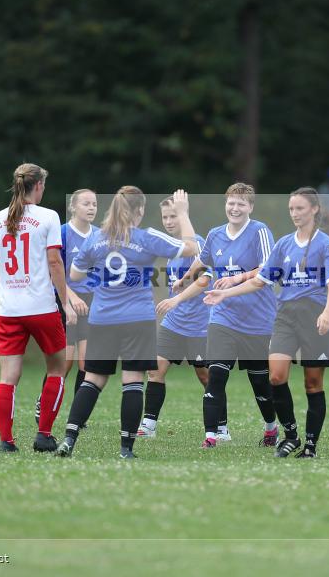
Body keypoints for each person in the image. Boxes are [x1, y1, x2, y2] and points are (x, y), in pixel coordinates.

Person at [57, 187, 199, 459]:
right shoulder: (145, 238)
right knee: (132, 382)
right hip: (137, 319)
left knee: (93, 380)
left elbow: (75, 273)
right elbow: (191, 247)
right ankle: (126, 450)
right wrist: (182, 214)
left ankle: (69, 439)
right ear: (140, 211)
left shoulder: (96, 239)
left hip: (102, 319)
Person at [204, 188, 329, 458]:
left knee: (313, 383)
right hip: (285, 316)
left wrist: (327, 312)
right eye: (291, 209)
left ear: (314, 209)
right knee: (276, 376)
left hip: (314, 316)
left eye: (300, 208)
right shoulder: (283, 244)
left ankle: (310, 446)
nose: (295, 214)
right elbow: (259, 281)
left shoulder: (326, 244)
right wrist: (225, 292)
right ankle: (291, 435)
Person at [157, 183, 279, 449]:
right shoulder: (215, 234)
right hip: (222, 316)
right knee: (216, 374)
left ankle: (271, 428)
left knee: (259, 380)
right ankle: (211, 436)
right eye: (231, 203)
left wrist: (237, 278)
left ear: (250, 207)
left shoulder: (259, 232)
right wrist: (184, 280)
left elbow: (268, 270)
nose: (235, 208)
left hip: (257, 319)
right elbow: (202, 260)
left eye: (241, 204)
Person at [0, 164, 74, 453]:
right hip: (42, 307)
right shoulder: (48, 216)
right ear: (37, 186)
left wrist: (7, 291)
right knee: (58, 368)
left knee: (8, 377)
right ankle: (44, 435)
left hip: (8, 310)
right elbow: (54, 263)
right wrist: (65, 300)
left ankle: (6, 441)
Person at [137, 196, 210, 439]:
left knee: (205, 376)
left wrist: (177, 298)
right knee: (155, 371)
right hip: (173, 322)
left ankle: (220, 426)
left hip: (199, 324)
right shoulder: (171, 248)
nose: (168, 221)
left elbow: (202, 278)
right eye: (165, 217)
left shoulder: (196, 243)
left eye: (173, 216)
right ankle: (148, 425)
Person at [34, 188, 99, 426]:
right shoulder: (61, 233)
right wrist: (71, 298)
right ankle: (44, 402)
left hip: (92, 304)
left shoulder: (100, 235)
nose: (92, 207)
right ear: (73, 207)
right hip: (65, 303)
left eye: (94, 204)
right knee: (64, 363)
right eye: (86, 204)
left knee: (87, 362)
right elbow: (53, 270)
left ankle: (77, 416)